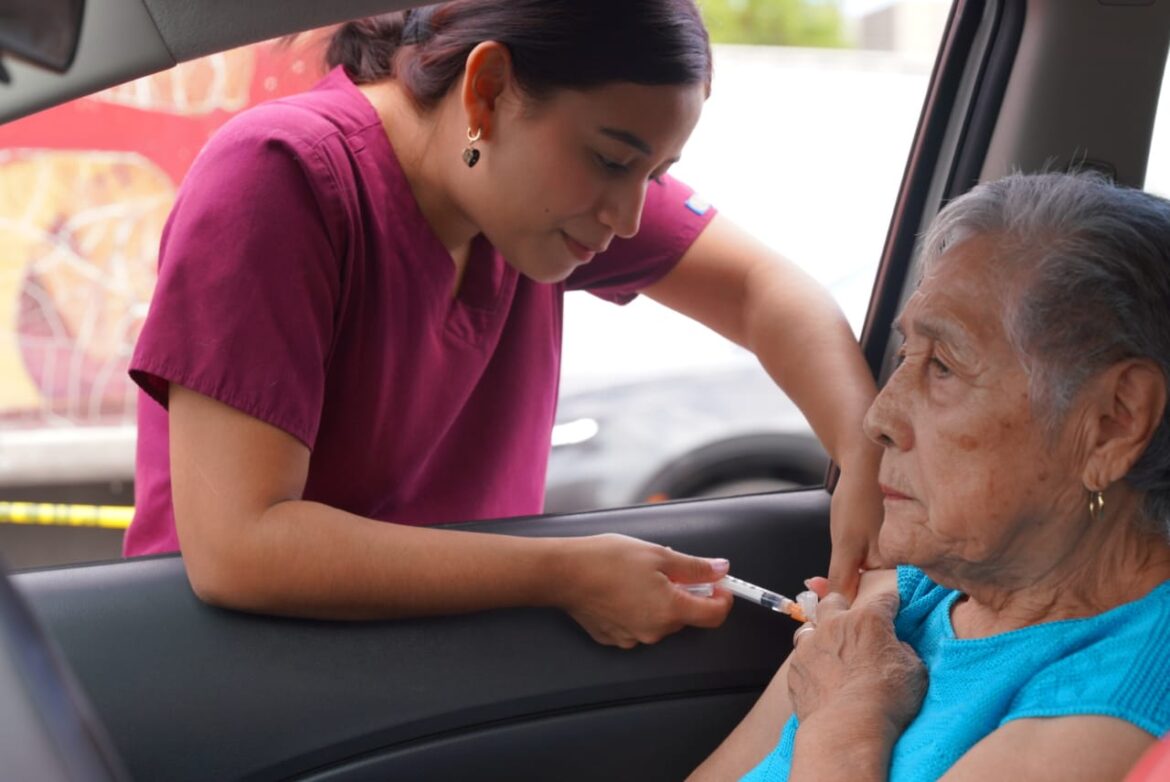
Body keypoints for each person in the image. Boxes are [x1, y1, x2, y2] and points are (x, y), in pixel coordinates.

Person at [124, 0, 884, 648]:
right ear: (486, 93)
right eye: (614, 161)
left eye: (653, 177)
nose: (626, 219)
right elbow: (239, 546)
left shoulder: (518, 195)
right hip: (245, 678)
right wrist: (565, 572)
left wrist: (865, 455)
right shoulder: (280, 175)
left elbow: (765, 290)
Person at [691, 171, 1170, 779]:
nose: (879, 418)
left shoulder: (1126, 702)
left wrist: (842, 721)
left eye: (942, 366)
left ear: (1111, 423)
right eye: (905, 355)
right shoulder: (920, 591)